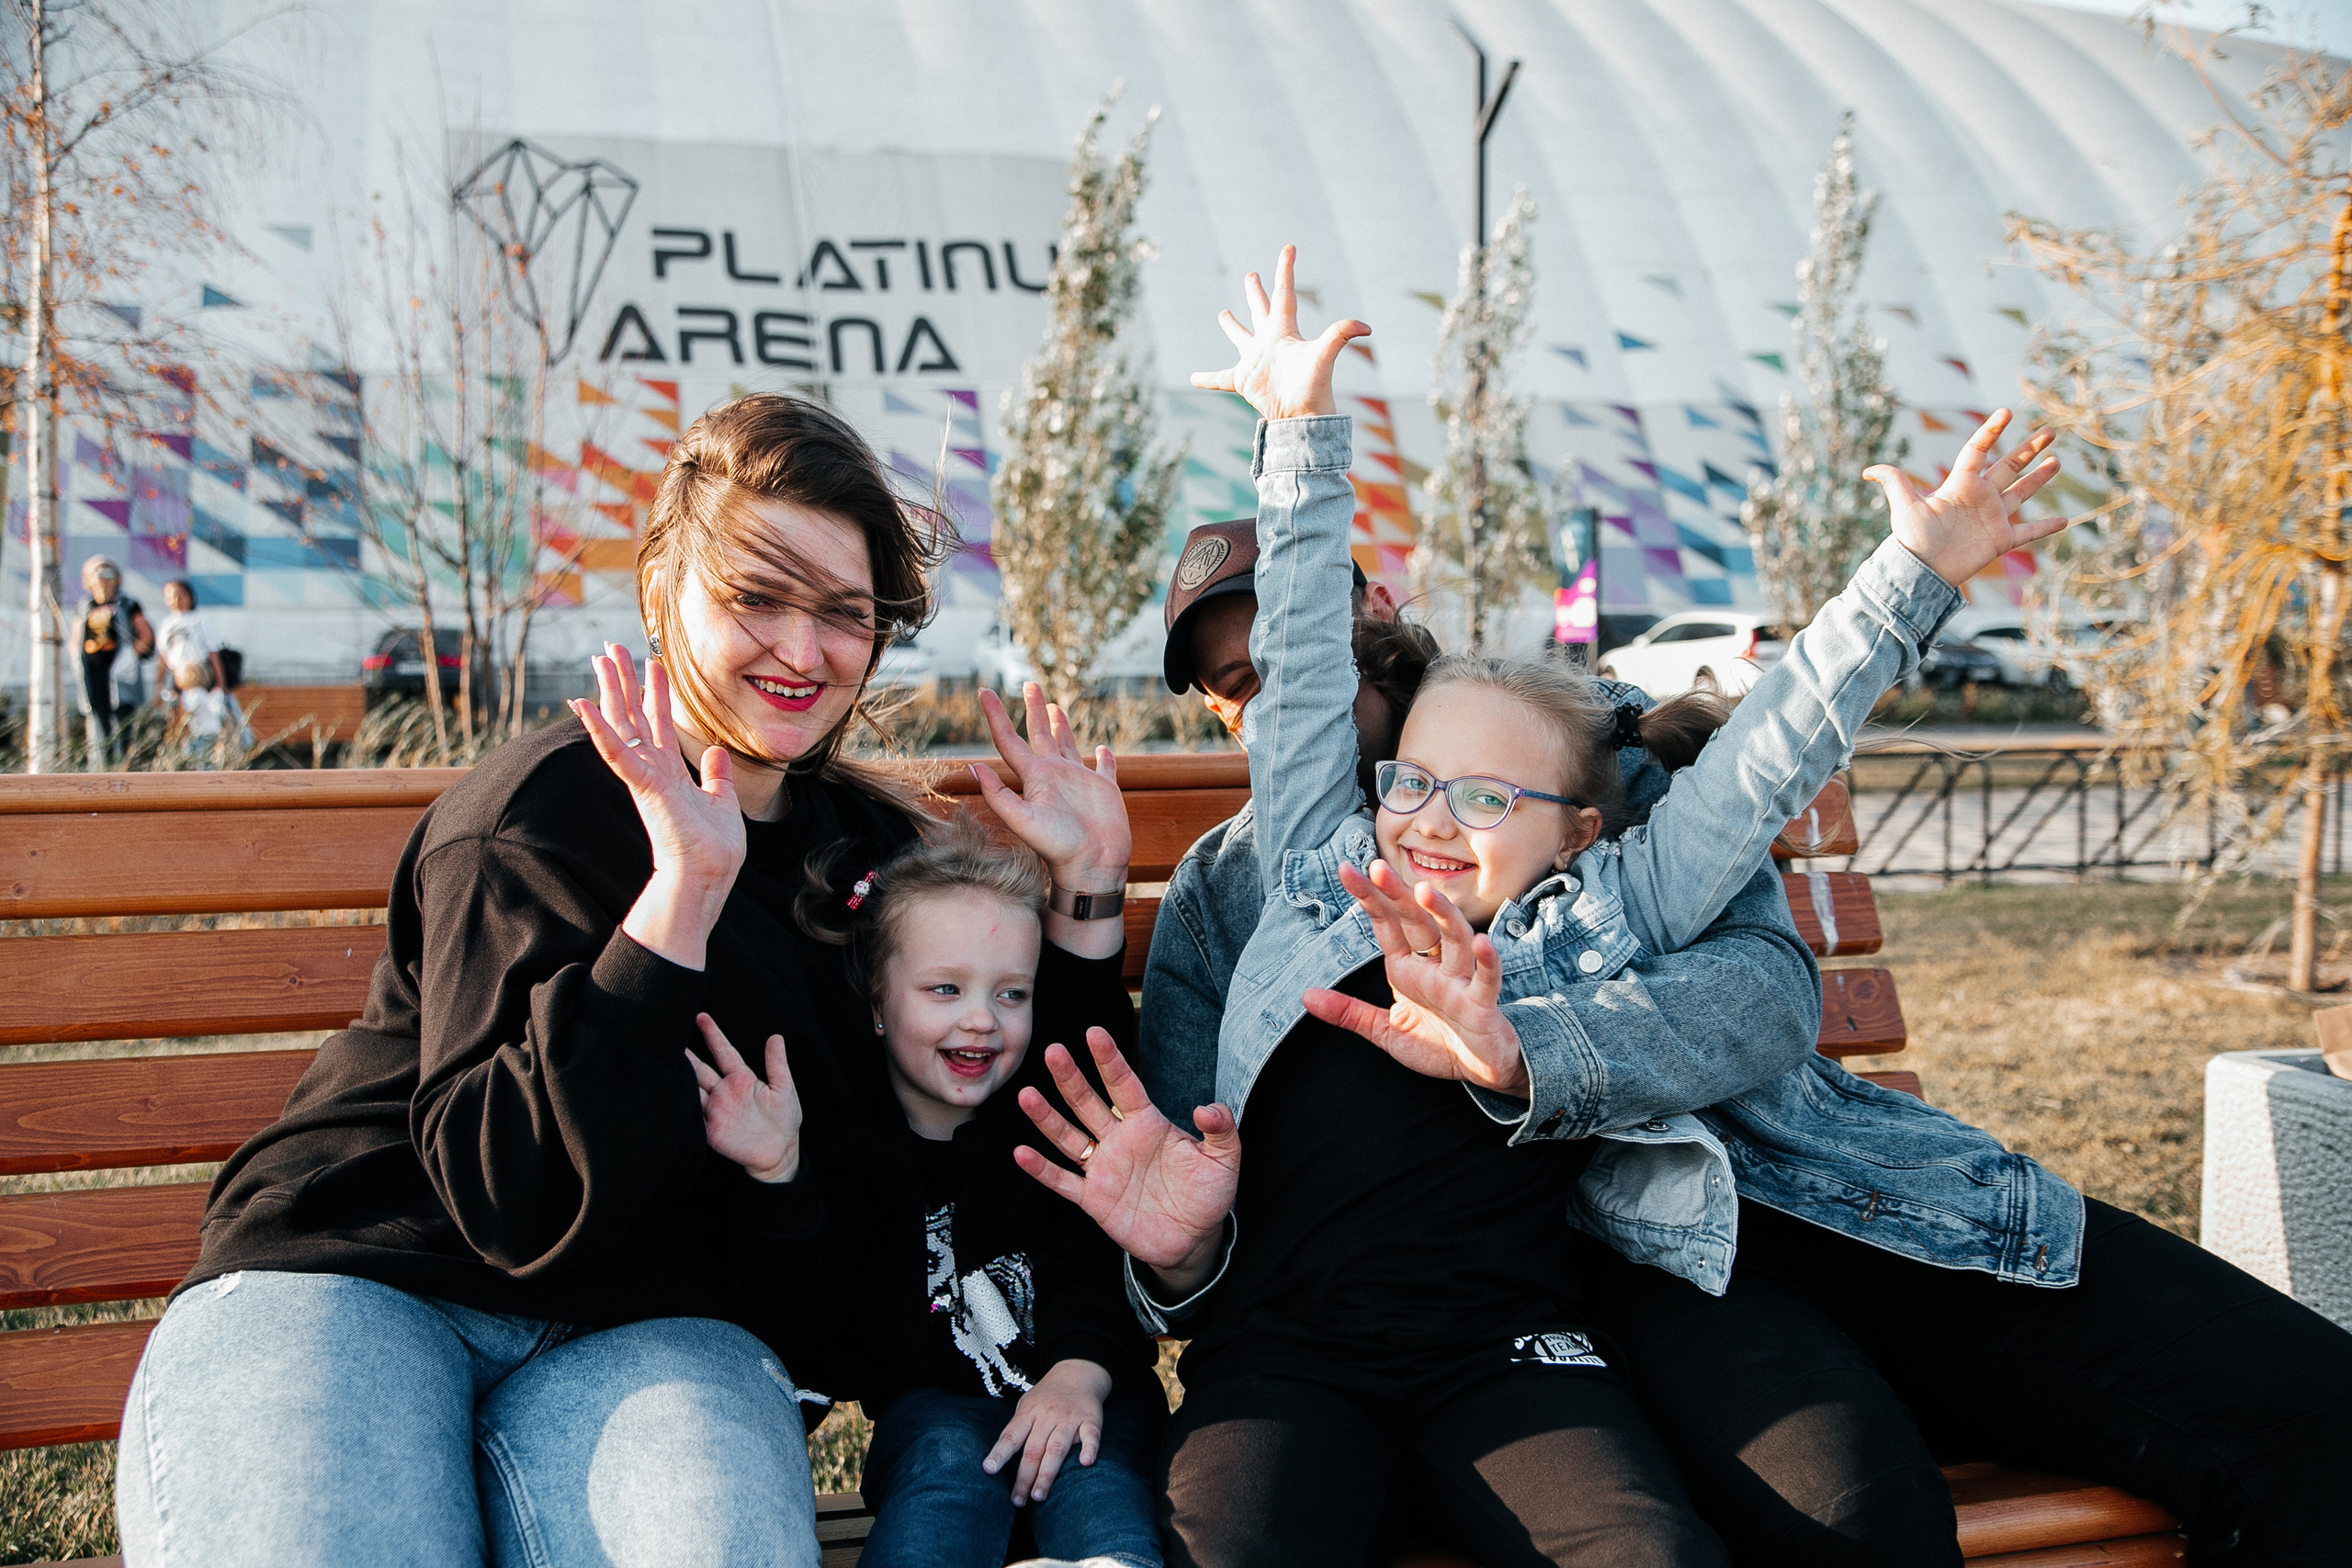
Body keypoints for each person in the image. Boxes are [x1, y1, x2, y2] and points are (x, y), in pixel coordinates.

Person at [112, 394, 1136, 1568]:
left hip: (660, 1328)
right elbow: (510, 1203)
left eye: (843, 615)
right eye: (757, 596)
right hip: (363, 1276)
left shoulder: (872, 864)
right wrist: (680, 897)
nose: (803, 653)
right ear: (663, 591)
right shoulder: (531, 819)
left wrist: (1089, 889)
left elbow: (1006, 1105)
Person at [693, 817, 1163, 1568]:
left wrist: (1078, 1375)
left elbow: (1097, 1260)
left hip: (1086, 1388)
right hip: (934, 1411)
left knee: (1097, 1481)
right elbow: (806, 1316)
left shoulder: (1053, 1118)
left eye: (1012, 993)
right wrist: (777, 1172)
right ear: (878, 1002)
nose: (981, 1018)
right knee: (942, 1470)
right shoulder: (849, 1147)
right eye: (944, 988)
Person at [153, 579, 245, 757]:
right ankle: (183, 756)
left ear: (190, 596)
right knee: (179, 718)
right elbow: (163, 658)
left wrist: (220, 682)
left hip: (201, 674)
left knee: (207, 715)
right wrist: (158, 686)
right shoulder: (166, 625)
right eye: (171, 596)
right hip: (178, 676)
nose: (177, 599)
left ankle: (210, 752)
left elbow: (213, 653)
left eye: (181, 594)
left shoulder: (201, 620)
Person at [76, 555, 153, 766]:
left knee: (124, 725)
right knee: (98, 725)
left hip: (121, 676)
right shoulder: (85, 607)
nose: (104, 580)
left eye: (109, 574)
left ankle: (126, 771)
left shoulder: (128, 604)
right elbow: (76, 641)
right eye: (98, 574)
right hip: (94, 675)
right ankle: (102, 771)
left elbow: (146, 635)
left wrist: (131, 656)